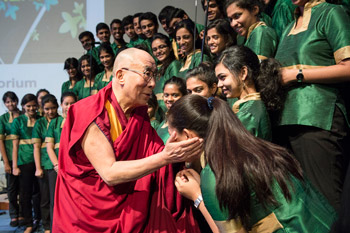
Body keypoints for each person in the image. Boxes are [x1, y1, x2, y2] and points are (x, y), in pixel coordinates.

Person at [52, 48, 203, 232]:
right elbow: (110, 173)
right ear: (121, 75)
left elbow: (157, 157)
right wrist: (166, 157)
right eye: (147, 74)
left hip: (130, 209)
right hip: (88, 216)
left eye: (154, 75)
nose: (153, 83)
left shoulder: (138, 114)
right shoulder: (91, 112)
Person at [168, 94, 337, 233]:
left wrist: (198, 197)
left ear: (189, 136)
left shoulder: (215, 172)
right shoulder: (252, 146)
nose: (168, 144)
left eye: (173, 137)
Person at [274, 0, 350, 211]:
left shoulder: (330, 13)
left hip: (317, 118)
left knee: (325, 203)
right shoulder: (290, 24)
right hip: (286, 121)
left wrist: (296, 74)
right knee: (302, 208)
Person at [216, 46, 285, 141]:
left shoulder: (248, 114)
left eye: (222, 77)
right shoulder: (250, 107)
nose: (219, 84)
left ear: (243, 73)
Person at [45, 92, 77, 230]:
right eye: (66, 104)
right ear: (61, 105)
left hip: (75, 168)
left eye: (72, 103)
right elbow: (49, 147)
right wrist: (57, 165)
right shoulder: (54, 123)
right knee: (56, 200)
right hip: (57, 168)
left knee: (74, 201)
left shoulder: (79, 119)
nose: (69, 106)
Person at [11, 94, 41, 233]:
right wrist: (14, 166)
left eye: (34, 105)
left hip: (41, 161)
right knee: (25, 194)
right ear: (23, 106)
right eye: (28, 106)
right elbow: (15, 146)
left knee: (39, 194)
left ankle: (40, 220)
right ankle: (29, 223)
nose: (31, 108)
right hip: (24, 162)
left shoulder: (41, 120)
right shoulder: (18, 122)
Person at [32, 94, 59, 233]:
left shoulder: (60, 120)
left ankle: (56, 225)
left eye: (53, 108)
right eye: (47, 109)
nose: (50, 111)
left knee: (56, 198)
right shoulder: (40, 123)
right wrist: (38, 167)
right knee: (45, 198)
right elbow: (36, 147)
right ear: (42, 109)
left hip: (57, 164)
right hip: (44, 163)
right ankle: (47, 226)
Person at [0, 92, 21, 227]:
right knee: (12, 188)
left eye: (12, 101)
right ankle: (14, 215)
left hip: (24, 157)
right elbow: (0, 141)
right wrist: (6, 162)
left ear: (17, 101)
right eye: (7, 102)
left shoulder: (24, 115)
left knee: (26, 189)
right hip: (9, 157)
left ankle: (25, 214)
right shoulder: (2, 118)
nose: (10, 104)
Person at [151, 33, 181, 121]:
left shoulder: (174, 65)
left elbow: (175, 90)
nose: (158, 51)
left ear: (170, 47)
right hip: (159, 115)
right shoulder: (158, 69)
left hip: (170, 113)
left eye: (162, 47)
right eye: (155, 49)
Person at [156, 76, 187, 144]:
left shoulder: (185, 122)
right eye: (166, 95)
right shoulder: (163, 122)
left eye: (175, 95)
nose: (169, 99)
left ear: (184, 96)